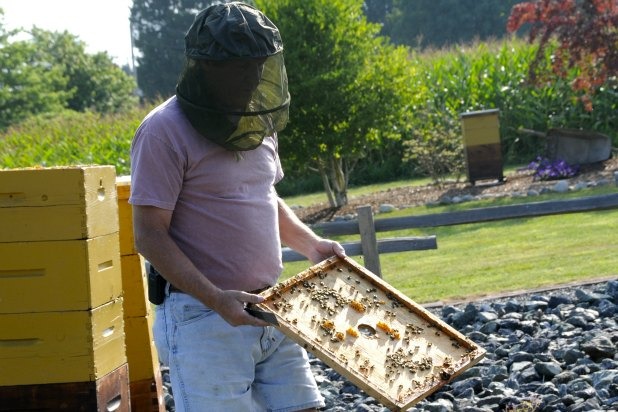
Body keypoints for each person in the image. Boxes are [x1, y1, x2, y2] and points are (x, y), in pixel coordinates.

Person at [129, 3, 345, 411]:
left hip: (271, 308)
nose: (251, 78)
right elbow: (149, 234)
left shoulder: (258, 125)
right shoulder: (162, 131)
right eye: (239, 67)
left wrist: (312, 245)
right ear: (206, 67)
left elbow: (262, 197)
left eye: (257, 66)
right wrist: (215, 297)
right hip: (203, 317)